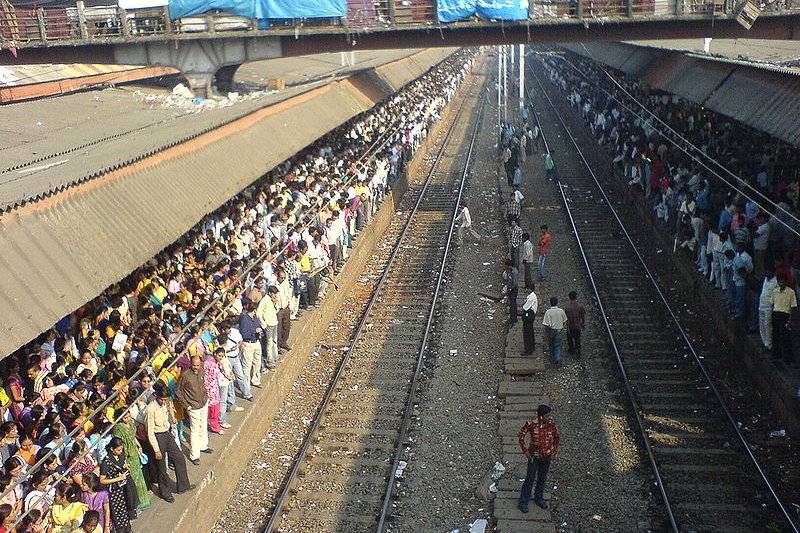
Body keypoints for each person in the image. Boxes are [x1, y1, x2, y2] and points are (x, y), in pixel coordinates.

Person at [144, 383, 192, 503]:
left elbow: (168, 417)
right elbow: (150, 431)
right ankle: (165, 493)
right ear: (157, 397)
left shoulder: (166, 404)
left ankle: (183, 485)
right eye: (162, 399)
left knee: (179, 457)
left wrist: (172, 426)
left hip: (167, 433)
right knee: (161, 467)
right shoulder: (151, 409)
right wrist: (156, 449)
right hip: (157, 436)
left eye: (165, 399)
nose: (164, 402)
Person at [517, 404, 560, 513]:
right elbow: (521, 435)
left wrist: (554, 451)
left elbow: (556, 437)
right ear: (541, 416)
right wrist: (526, 451)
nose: (549, 417)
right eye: (547, 415)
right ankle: (523, 502)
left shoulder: (551, 424)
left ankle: (539, 498)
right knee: (530, 479)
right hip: (534, 456)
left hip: (546, 456)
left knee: (542, 478)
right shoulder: (532, 424)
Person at [111, 408, 150, 512]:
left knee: (140, 478)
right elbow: (119, 445)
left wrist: (138, 446)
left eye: (129, 416)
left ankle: (143, 500)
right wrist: (123, 460)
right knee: (133, 481)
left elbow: (133, 437)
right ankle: (136, 505)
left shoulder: (131, 424)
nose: (128, 419)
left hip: (135, 455)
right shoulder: (118, 429)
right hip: (127, 457)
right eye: (125, 417)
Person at [175, 355, 210, 465]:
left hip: (203, 402)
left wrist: (206, 397)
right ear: (191, 364)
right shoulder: (185, 375)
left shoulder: (202, 371)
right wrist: (186, 405)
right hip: (193, 405)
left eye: (198, 365)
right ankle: (194, 455)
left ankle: (203, 445)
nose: (196, 367)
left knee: (203, 425)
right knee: (194, 430)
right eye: (194, 365)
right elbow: (178, 391)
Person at [99, 437, 133, 533]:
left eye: (121, 449)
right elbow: (102, 480)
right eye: (118, 450)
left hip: (124, 488)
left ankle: (128, 529)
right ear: (111, 449)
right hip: (114, 492)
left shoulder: (121, 457)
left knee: (126, 511)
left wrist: (126, 467)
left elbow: (123, 466)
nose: (120, 452)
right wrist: (118, 479)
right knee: (118, 513)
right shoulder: (106, 462)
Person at [771, 275, 797, 362]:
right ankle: (776, 354)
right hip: (776, 313)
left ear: (785, 282)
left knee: (786, 336)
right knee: (775, 334)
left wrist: (790, 319)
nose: (781, 284)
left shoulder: (791, 292)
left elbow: (793, 307)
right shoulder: (775, 291)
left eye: (783, 282)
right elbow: (772, 303)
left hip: (785, 314)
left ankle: (788, 357)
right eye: (779, 282)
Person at [542, 297, 568, 364]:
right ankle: (558, 357)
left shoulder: (548, 312)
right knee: (558, 344)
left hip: (551, 330)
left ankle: (552, 358)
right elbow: (565, 320)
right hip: (559, 329)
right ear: (557, 302)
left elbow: (546, 324)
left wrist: (546, 332)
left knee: (551, 344)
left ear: (550, 303)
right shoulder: (561, 311)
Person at [758, 268, 777, 353]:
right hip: (761, 305)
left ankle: (768, 345)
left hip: (769, 307)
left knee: (768, 326)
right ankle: (764, 341)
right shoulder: (765, 279)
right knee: (762, 325)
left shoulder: (775, 281)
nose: (766, 273)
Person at [564, 291, 585, 357]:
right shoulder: (580, 307)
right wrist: (583, 323)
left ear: (569, 298)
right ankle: (578, 350)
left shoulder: (567, 308)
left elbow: (566, 319)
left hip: (570, 326)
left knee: (570, 338)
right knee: (577, 339)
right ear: (576, 297)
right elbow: (582, 316)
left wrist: (567, 328)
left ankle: (571, 349)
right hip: (577, 325)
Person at [521, 289, 538, 355]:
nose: (527, 290)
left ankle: (528, 350)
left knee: (527, 333)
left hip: (528, 317)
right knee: (530, 332)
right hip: (531, 316)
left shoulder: (531, 298)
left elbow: (525, 307)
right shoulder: (532, 296)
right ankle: (532, 347)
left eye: (528, 289)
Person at [505, 260, 520, 326]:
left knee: (512, 305)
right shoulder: (511, 271)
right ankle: (514, 318)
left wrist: (510, 289)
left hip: (513, 290)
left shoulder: (514, 272)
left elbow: (515, 283)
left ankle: (513, 319)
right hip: (511, 289)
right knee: (513, 304)